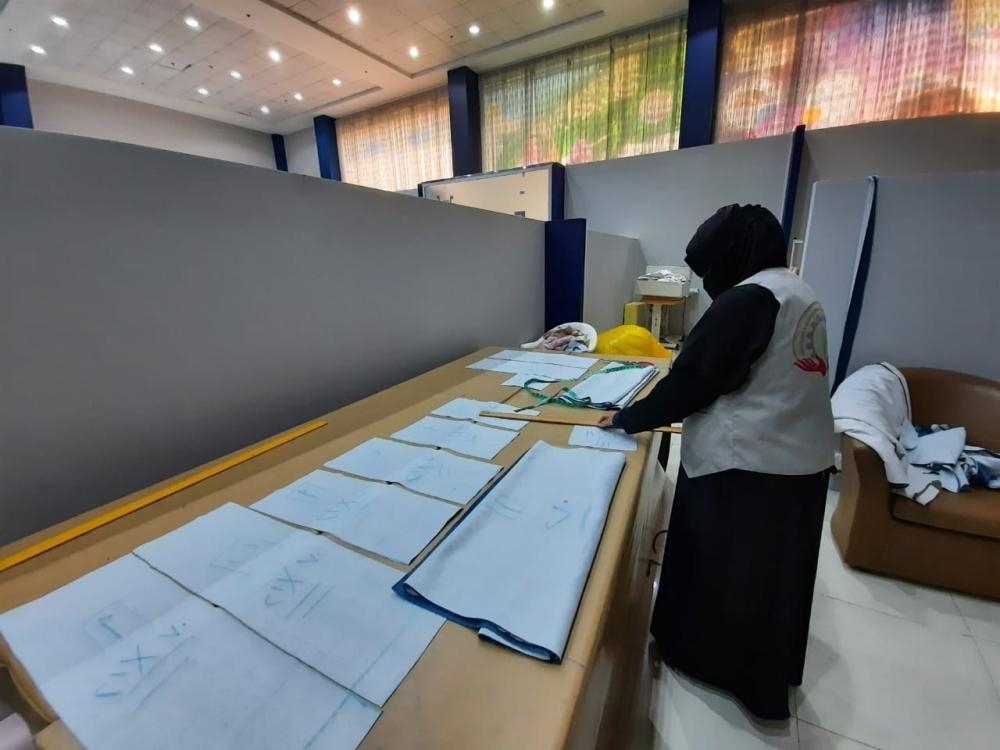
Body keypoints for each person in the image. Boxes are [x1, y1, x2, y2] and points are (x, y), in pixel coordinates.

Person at [598, 204, 836, 720]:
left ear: (733, 258)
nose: (708, 283)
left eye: (710, 270)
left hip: (748, 465)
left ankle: (711, 665)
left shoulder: (749, 300)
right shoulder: (797, 289)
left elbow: (694, 381)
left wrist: (627, 418)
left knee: (730, 575)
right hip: (800, 461)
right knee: (770, 582)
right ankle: (764, 675)